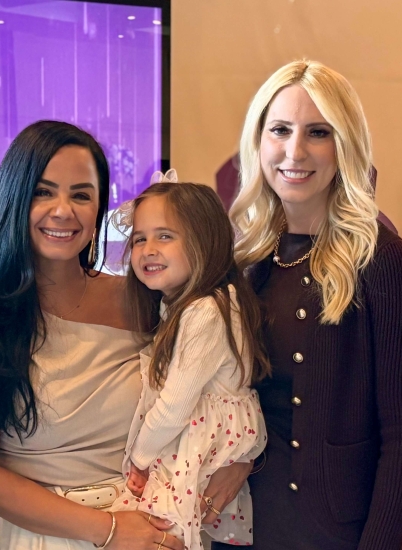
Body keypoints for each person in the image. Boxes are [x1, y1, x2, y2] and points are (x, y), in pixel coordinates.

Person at [0, 120, 251, 549]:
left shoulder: (142, 300)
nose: (63, 210)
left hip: (158, 525)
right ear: (14, 196)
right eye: (43, 192)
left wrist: (241, 459)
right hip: (52, 536)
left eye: (81, 195)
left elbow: (217, 384)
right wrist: (112, 531)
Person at [212, 60, 402, 550]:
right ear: (258, 141)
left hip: (332, 531)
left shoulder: (382, 259)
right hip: (237, 523)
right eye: (280, 130)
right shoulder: (241, 257)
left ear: (345, 144)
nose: (295, 151)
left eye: (318, 132)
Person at [109, 176, 270, 549]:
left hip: (196, 441)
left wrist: (140, 458)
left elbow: (175, 405)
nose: (148, 249)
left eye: (165, 236)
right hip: (202, 439)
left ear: (205, 241)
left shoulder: (205, 310)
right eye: (139, 239)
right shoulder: (187, 304)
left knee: (156, 531)